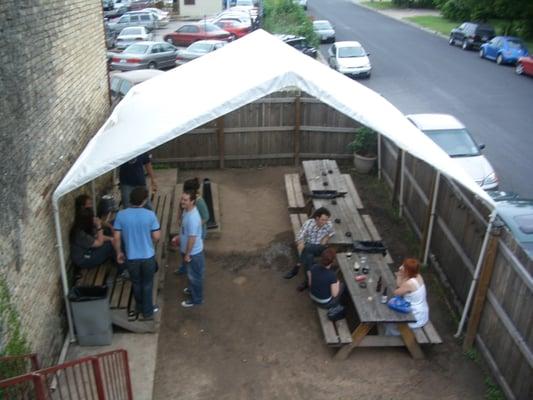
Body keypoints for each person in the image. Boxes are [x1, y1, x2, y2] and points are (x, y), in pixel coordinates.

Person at [113, 187, 161, 321]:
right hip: (147, 256)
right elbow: (157, 236)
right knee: (147, 283)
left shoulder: (121, 215)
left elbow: (116, 237)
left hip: (131, 258)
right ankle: (148, 312)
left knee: (136, 282)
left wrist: (119, 253)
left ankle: (140, 306)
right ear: (144, 200)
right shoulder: (150, 215)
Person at [284, 207, 335, 291]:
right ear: (317, 218)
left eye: (326, 220)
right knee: (309, 257)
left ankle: (297, 266)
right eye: (323, 220)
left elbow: (332, 232)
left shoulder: (328, 225)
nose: (326, 222)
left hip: (319, 248)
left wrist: (326, 237)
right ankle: (307, 281)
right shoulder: (309, 224)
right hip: (309, 247)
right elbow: (299, 237)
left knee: (307, 249)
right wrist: (301, 243)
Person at [172, 190, 206, 308]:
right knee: (192, 274)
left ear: (192, 201)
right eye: (182, 199)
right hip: (189, 251)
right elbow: (185, 231)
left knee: (195, 276)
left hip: (193, 253)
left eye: (185, 200)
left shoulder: (192, 218)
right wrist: (179, 237)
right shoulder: (186, 211)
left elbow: (192, 238)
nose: (182, 202)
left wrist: (187, 254)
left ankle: (197, 299)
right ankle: (192, 289)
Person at [174, 178, 210, 275]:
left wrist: (194, 226)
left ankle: (191, 271)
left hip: (198, 232)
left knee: (191, 253)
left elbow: (206, 217)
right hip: (187, 231)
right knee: (185, 250)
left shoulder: (199, 201)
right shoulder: (186, 198)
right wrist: (180, 219)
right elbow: (180, 208)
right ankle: (184, 268)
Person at [385, 258, 429, 335]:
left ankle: (392, 339)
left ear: (408, 271)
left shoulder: (409, 284)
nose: (400, 267)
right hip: (422, 312)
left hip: (415, 316)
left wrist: (399, 275)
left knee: (390, 320)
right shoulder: (418, 276)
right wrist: (401, 275)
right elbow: (400, 285)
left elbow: (396, 292)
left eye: (404, 267)